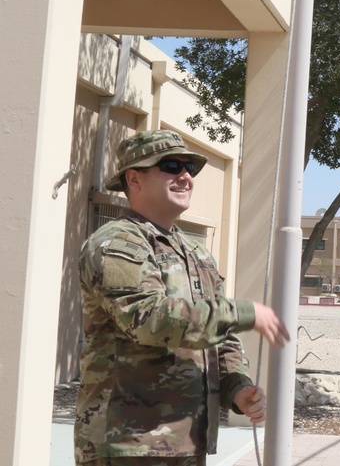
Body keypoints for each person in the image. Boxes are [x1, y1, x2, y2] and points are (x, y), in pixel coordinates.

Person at [75, 130, 291, 465]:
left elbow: (221, 339)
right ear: (134, 179)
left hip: (187, 444)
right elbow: (148, 318)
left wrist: (238, 389)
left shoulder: (195, 252)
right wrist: (242, 312)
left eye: (190, 167)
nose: (185, 176)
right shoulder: (118, 244)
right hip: (128, 445)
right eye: (171, 165)